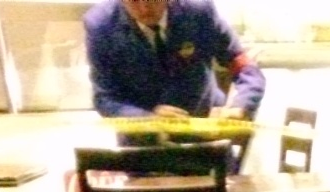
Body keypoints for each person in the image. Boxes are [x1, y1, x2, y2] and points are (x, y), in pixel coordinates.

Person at [85, 0, 266, 121]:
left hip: (205, 132)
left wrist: (242, 105)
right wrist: (147, 118)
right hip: (142, 142)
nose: (144, 8)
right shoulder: (101, 25)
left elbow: (243, 65)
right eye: (134, 0)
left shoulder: (199, 10)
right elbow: (105, 99)